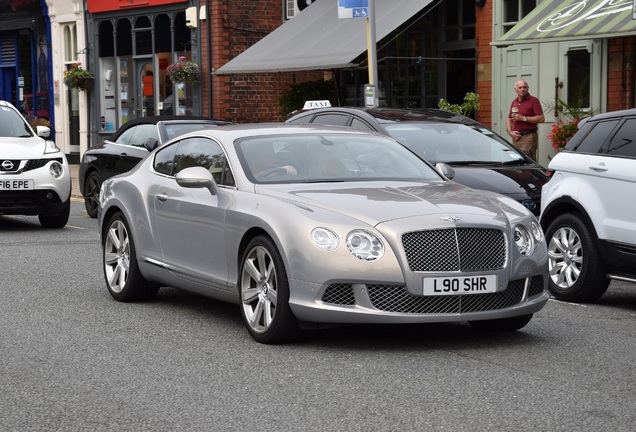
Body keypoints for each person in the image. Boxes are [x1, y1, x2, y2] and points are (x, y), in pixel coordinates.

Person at [506, 79, 544, 160]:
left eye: (524, 87)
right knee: (516, 161)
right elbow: (509, 118)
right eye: (520, 87)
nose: (522, 89)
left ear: (528, 88)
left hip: (528, 137)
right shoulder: (514, 102)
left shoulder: (533, 100)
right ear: (515, 89)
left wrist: (523, 118)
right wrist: (510, 132)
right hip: (516, 138)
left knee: (528, 161)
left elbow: (541, 119)